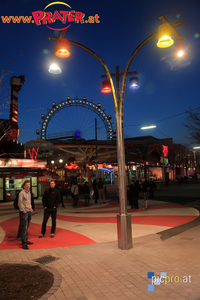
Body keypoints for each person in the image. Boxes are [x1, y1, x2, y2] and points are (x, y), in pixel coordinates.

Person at [18, 180, 33, 250]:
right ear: (24, 186)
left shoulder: (29, 192)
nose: (28, 186)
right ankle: (24, 243)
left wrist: (31, 208)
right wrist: (23, 210)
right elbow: (20, 202)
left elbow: (29, 202)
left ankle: (25, 239)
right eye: (27, 184)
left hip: (29, 211)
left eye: (29, 184)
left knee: (27, 227)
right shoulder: (22, 193)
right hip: (24, 212)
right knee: (24, 227)